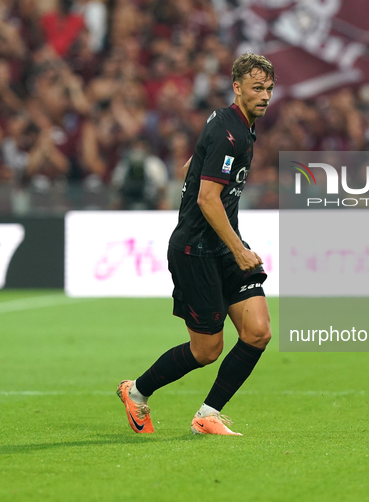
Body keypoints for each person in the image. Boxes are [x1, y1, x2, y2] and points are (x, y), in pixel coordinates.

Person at [117, 53, 275, 436]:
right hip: (196, 250)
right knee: (207, 350)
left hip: (222, 244)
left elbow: (192, 168)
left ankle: (207, 415)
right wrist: (239, 249)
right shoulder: (230, 131)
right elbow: (207, 199)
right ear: (237, 88)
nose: (265, 96)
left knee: (258, 332)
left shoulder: (234, 124)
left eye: (269, 88)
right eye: (257, 88)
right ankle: (136, 392)